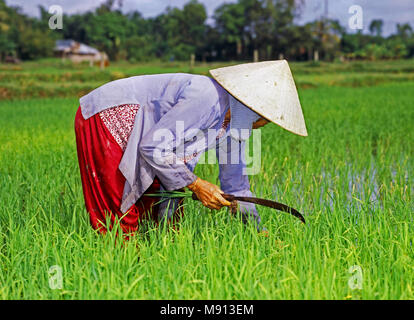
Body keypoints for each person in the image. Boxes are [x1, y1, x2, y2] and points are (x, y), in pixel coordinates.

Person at [74, 60, 307, 234]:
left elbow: (237, 185)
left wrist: (257, 231)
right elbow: (153, 148)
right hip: (109, 118)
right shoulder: (208, 98)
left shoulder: (234, 126)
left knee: (168, 210)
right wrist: (197, 185)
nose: (261, 127)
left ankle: (159, 262)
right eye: (264, 120)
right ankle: (122, 274)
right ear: (253, 109)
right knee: (117, 209)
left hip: (152, 141)